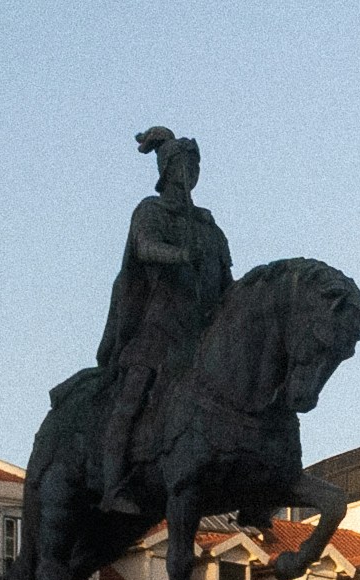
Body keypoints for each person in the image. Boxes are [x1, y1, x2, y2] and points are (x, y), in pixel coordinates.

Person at [85, 126, 234, 512]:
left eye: (195, 167)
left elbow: (228, 283)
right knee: (133, 392)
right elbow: (145, 247)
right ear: (167, 171)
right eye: (184, 166)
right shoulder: (151, 211)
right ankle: (113, 484)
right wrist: (181, 255)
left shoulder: (209, 227)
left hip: (203, 335)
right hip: (160, 327)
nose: (191, 174)